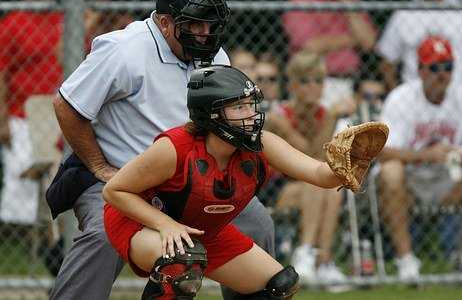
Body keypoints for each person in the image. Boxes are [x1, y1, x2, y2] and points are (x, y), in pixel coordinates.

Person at [47, 0, 274, 300]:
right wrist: (99, 166)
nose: (205, 34)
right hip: (121, 179)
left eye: (210, 26)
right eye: (195, 25)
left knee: (257, 223)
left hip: (190, 177)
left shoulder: (213, 55)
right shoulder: (125, 50)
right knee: (102, 236)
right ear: (165, 23)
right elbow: (67, 106)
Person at [102, 64, 370, 299]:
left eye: (251, 105)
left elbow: (319, 175)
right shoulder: (175, 148)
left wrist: (348, 163)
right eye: (238, 107)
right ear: (211, 114)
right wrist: (164, 224)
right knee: (182, 261)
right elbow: (114, 191)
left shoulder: (260, 144)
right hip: (141, 222)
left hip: (202, 229)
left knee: (278, 285)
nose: (251, 114)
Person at [377, 36, 462, 280]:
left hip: (451, 181)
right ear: (420, 70)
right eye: (434, 67)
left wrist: (459, 153)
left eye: (448, 67)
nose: (442, 74)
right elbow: (383, 152)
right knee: (390, 171)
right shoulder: (401, 97)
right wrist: (427, 155)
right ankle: (406, 260)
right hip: (411, 183)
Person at [272, 52, 346, 286]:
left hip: (314, 188)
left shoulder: (324, 114)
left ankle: (322, 260)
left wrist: (330, 118)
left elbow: (323, 164)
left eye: (319, 81)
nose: (313, 87)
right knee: (317, 181)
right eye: (305, 81)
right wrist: (332, 117)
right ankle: (306, 253)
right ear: (293, 85)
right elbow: (309, 156)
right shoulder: (279, 116)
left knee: (334, 188)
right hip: (281, 189)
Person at [0, 0, 63, 225]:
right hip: (21, 114)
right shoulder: (11, 23)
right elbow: (1, 74)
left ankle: (52, 240)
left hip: (61, 114)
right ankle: (23, 240)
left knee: (57, 176)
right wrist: (2, 119)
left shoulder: (64, 20)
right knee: (20, 182)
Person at [282, 0, 377, 108]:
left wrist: (346, 2)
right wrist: (354, 39)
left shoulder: (352, 1)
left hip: (349, 83)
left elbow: (369, 42)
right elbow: (311, 46)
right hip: (311, 83)